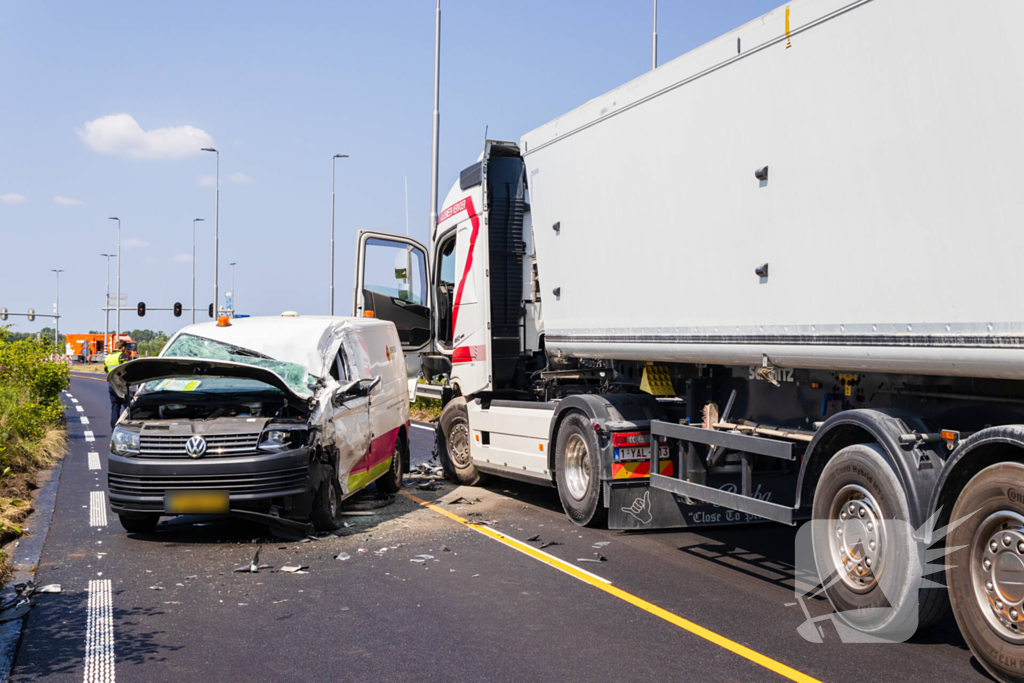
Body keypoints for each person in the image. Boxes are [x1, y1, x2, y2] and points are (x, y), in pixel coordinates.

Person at [104, 340, 130, 429]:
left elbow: (106, 372)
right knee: (128, 407)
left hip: (112, 385)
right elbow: (127, 370)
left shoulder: (107, 357)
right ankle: (129, 427)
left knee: (115, 407)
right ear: (123, 347)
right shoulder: (122, 356)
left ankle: (114, 428)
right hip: (121, 385)